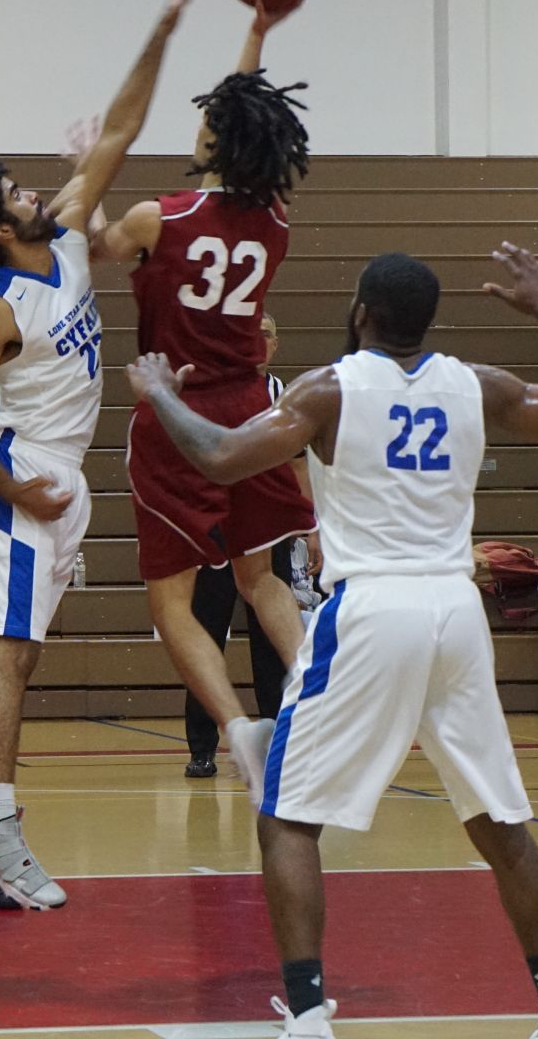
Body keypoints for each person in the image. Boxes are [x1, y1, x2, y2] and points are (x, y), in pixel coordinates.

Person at [123, 245, 538, 1039]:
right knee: (499, 820)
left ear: (361, 314)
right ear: (429, 318)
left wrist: (156, 395)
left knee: (286, 817)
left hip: (371, 607)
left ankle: (309, 1014)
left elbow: (216, 453)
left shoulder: (329, 391)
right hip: (457, 609)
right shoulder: (478, 385)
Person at [0, 0, 199, 917]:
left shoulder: (70, 235)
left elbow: (118, 128)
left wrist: (160, 27)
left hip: (59, 478)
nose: (38, 189)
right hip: (22, 475)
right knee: (11, 655)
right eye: (17, 190)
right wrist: (14, 489)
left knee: (7, 653)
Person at [89, 0, 316, 803]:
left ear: (216, 138)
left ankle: (234, 728)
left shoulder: (160, 218)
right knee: (262, 577)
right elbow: (245, 103)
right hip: (254, 411)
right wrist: (256, 29)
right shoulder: (276, 223)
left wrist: (96, 171)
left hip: (178, 413)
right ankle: (318, 694)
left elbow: (92, 244)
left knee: (175, 600)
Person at [181, 313, 302, 777]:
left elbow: (297, 468)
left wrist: (308, 529)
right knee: (206, 631)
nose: (258, 341)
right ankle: (202, 746)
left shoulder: (286, 395)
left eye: (267, 334)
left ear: (275, 345)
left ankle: (277, 737)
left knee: (271, 639)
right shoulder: (210, 391)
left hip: (267, 529)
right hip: (214, 529)